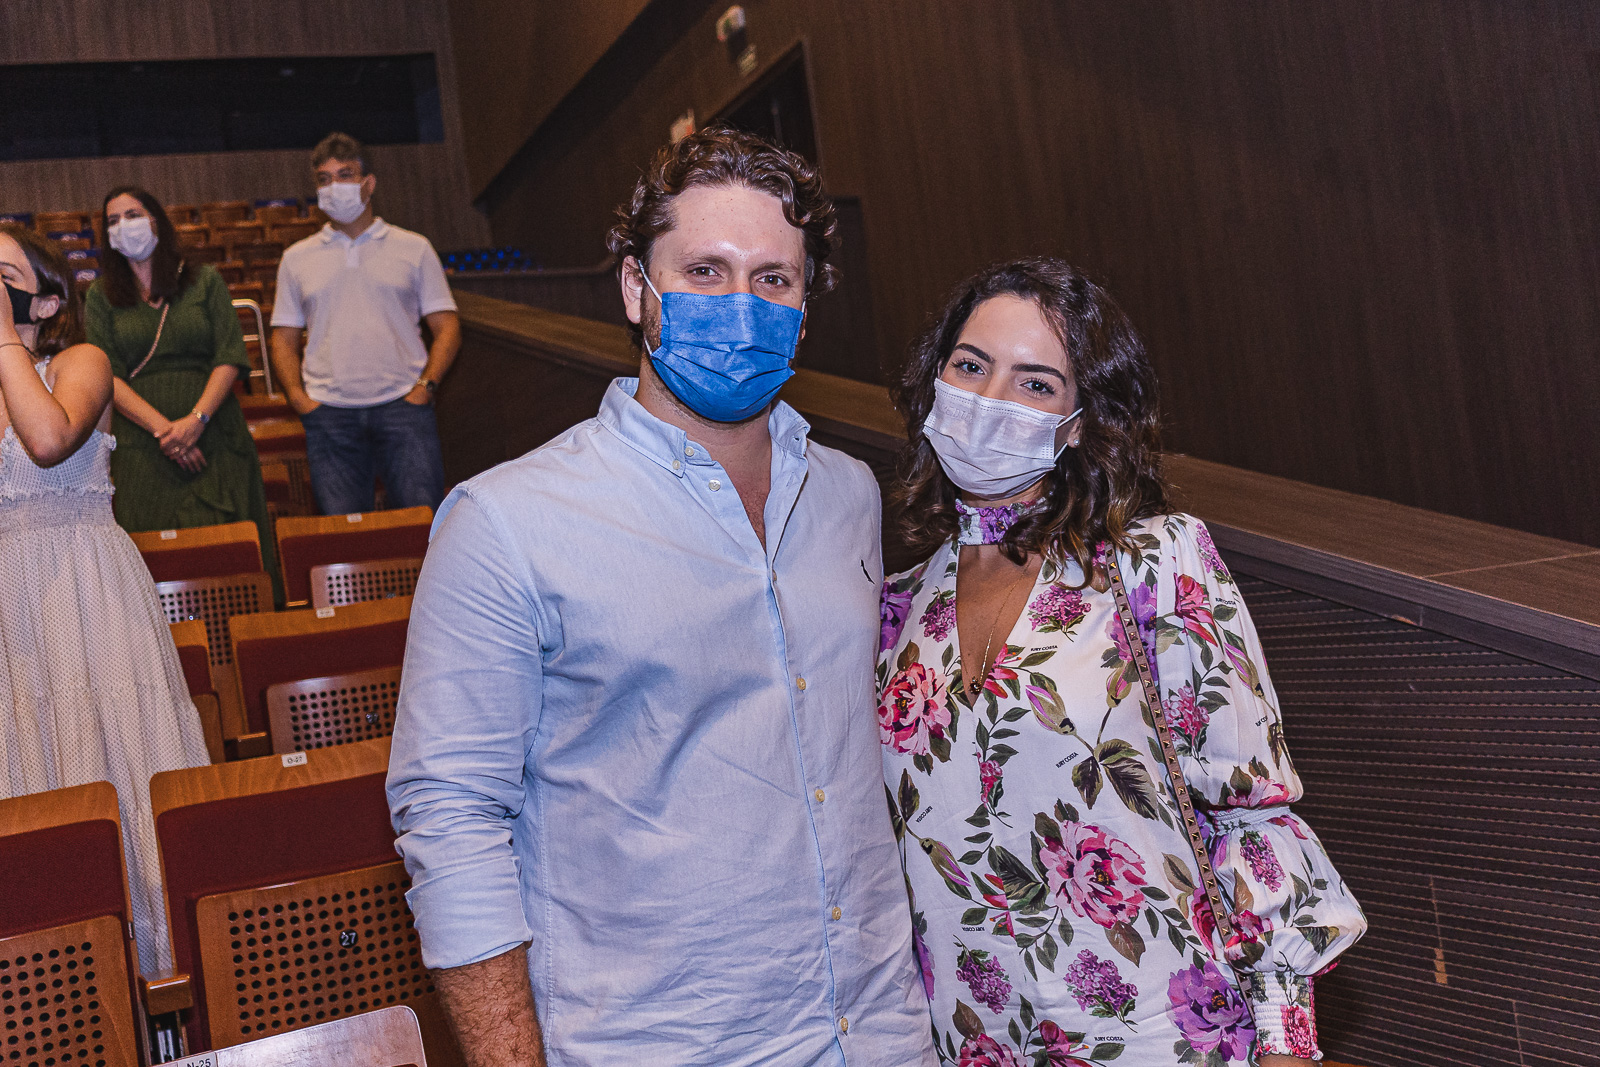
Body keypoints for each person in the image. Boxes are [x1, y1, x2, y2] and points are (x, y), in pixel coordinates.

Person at [387, 128, 936, 1067]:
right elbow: (452, 821)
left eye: (773, 279)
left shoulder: (848, 495)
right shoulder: (506, 522)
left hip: (881, 1032)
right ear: (636, 288)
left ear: (805, 311)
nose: (740, 304)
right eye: (705, 271)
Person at [878, 258, 1366, 1066]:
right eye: (970, 365)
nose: (991, 398)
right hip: (971, 1042)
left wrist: (1288, 1045)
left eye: (1036, 383)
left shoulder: (1157, 565)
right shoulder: (894, 611)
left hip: (1160, 1035)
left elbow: (1249, 811)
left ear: (1077, 422)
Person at [0, 223, 210, 974]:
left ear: (46, 300)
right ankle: (63, 982)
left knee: (111, 753)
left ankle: (155, 971)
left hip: (84, 589)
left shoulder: (80, 362)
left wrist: (3, 341)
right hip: (9, 608)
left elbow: (47, 440)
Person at [86, 185, 282, 602]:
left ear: (156, 220)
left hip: (214, 435)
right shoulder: (100, 297)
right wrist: (166, 432)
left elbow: (229, 356)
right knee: (155, 563)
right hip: (142, 445)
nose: (124, 226)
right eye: (113, 220)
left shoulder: (203, 281)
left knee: (228, 560)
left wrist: (195, 422)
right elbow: (106, 376)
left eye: (133, 214)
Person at [270, 132, 460, 515]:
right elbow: (282, 339)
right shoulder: (296, 258)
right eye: (324, 179)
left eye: (345, 175)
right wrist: (299, 399)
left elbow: (448, 327)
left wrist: (424, 388)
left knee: (424, 525)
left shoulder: (414, 247)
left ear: (369, 183)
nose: (334, 187)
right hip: (328, 413)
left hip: (405, 408)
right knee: (346, 533)